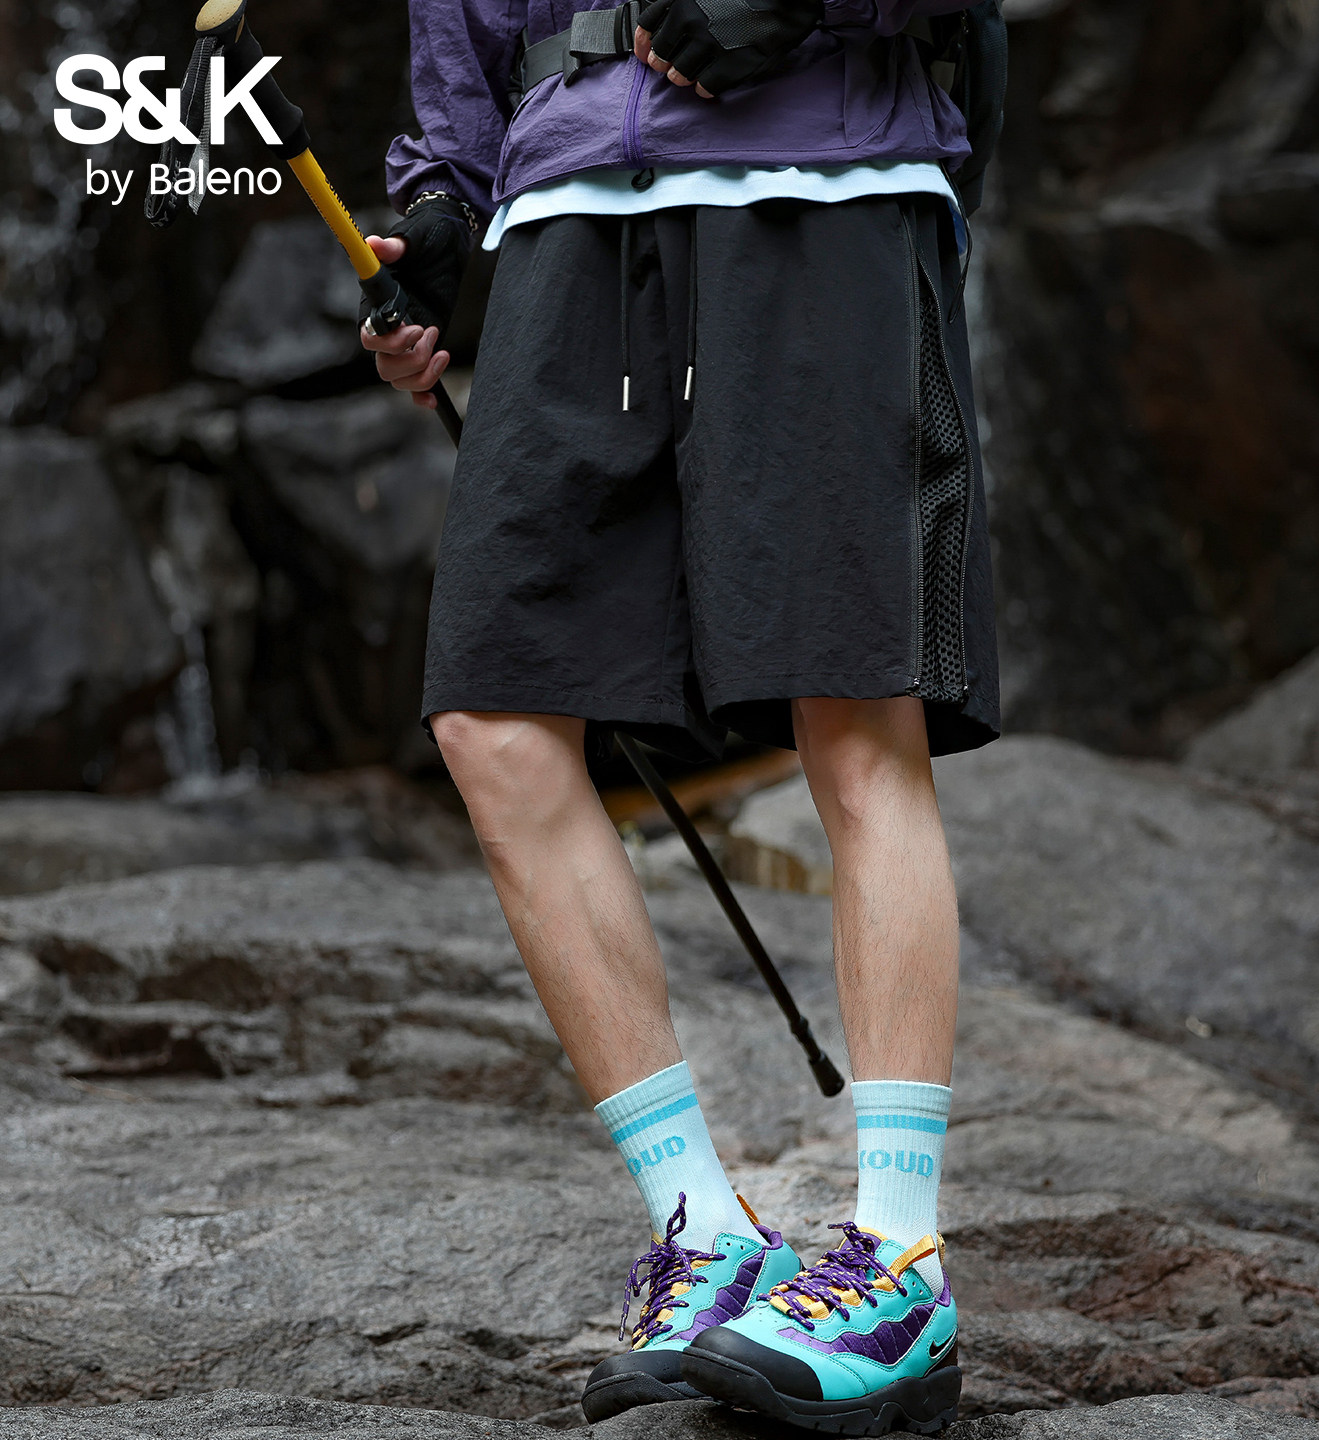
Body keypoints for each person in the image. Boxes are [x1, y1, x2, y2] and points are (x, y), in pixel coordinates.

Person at [361, 0, 999, 1427]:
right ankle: (705, 1231)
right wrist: (441, 203)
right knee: (492, 718)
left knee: (855, 709)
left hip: (822, 184)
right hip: (567, 213)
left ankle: (899, 1263)